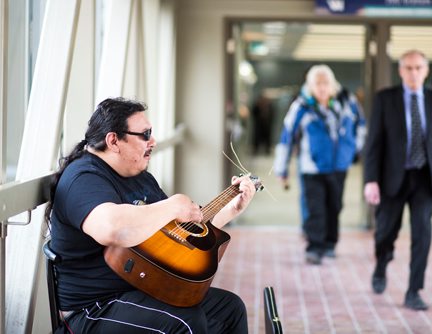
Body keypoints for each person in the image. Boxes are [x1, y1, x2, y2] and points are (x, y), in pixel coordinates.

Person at [44, 97, 257, 333]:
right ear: (114, 140)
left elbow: (176, 235)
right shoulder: (83, 178)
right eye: (145, 134)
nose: (152, 141)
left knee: (230, 308)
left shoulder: (140, 176)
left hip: (141, 287)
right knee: (187, 321)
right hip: (94, 308)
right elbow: (111, 228)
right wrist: (172, 206)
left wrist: (230, 209)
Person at [363, 50, 432, 310]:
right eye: (409, 68)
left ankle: (414, 290)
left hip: (425, 177)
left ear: (426, 70)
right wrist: (371, 180)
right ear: (401, 71)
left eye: (418, 68)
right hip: (392, 178)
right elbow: (373, 142)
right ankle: (381, 265)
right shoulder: (385, 99)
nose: (413, 73)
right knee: (385, 232)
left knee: (422, 235)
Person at [274, 64, 365, 265]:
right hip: (311, 167)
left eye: (326, 83)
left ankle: (330, 243)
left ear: (333, 85)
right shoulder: (301, 106)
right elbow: (287, 136)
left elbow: (361, 125)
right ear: (310, 85)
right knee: (316, 208)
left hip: (339, 165)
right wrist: (282, 168)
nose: (322, 88)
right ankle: (314, 247)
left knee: (335, 205)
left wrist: (353, 151)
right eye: (317, 83)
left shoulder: (347, 101)